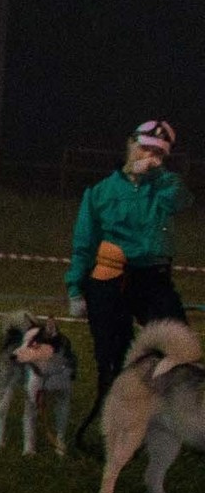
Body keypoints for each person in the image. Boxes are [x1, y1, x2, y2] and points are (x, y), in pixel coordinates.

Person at [69, 120, 190, 450]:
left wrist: (156, 176)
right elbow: (84, 244)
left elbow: (181, 201)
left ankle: (181, 423)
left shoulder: (165, 186)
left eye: (159, 152)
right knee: (113, 355)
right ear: (130, 144)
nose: (150, 155)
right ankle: (116, 425)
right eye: (145, 147)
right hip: (110, 279)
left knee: (180, 348)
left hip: (153, 278)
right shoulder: (100, 192)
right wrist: (75, 290)